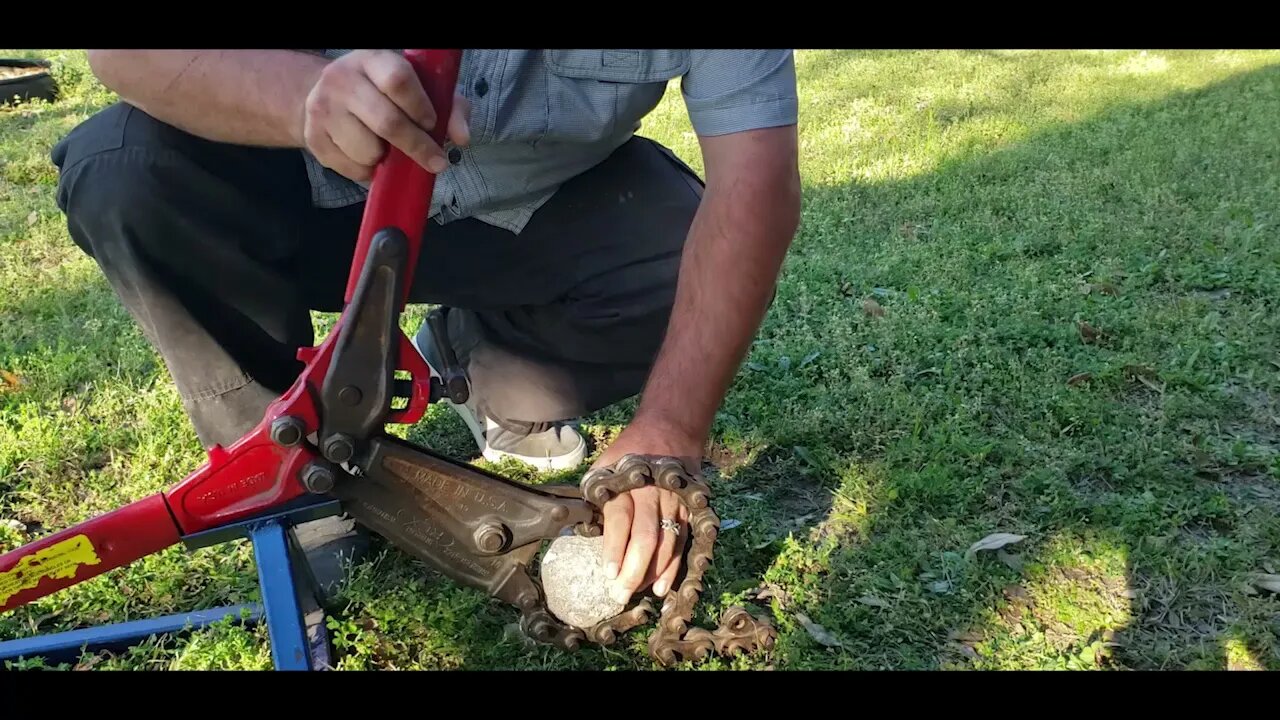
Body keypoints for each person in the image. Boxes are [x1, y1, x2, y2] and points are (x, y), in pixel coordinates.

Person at [51, 49, 801, 610]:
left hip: (527, 207)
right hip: (306, 185)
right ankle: (284, 467)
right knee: (120, 166)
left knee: (674, 254)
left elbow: (753, 186)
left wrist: (669, 431)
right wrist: (303, 96)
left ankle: (480, 370)